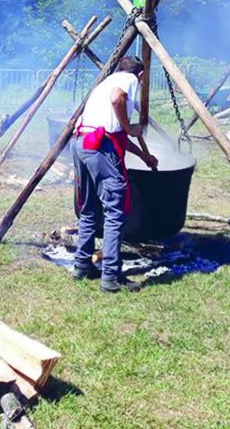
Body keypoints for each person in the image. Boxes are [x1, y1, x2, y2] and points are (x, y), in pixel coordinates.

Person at [71, 56, 158, 292]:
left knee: (89, 209)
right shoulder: (128, 80)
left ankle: (82, 265)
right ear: (140, 75)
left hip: (82, 144)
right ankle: (110, 277)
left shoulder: (107, 81)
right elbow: (117, 100)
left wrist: (143, 156)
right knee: (115, 212)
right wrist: (130, 128)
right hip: (100, 148)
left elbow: (115, 132)